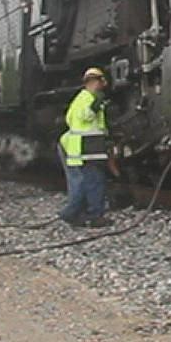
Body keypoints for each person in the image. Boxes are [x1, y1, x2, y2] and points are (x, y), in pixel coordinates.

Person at [58, 67, 116, 227]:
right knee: (93, 182)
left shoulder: (83, 98)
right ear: (91, 82)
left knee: (83, 183)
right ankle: (89, 215)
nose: (102, 85)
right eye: (100, 81)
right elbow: (86, 116)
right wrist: (97, 103)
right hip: (86, 149)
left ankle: (78, 214)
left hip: (84, 148)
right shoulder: (87, 99)